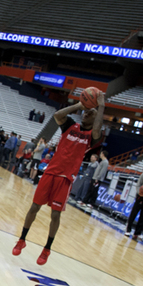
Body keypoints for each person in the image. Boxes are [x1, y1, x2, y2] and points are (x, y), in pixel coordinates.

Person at [13, 94, 104, 265]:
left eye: (91, 113)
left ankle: (47, 249)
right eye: (86, 112)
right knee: (34, 207)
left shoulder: (93, 135)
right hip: (50, 172)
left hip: (65, 178)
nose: (86, 113)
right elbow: (57, 115)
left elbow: (98, 127)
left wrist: (101, 106)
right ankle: (22, 239)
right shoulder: (70, 125)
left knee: (55, 214)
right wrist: (79, 104)